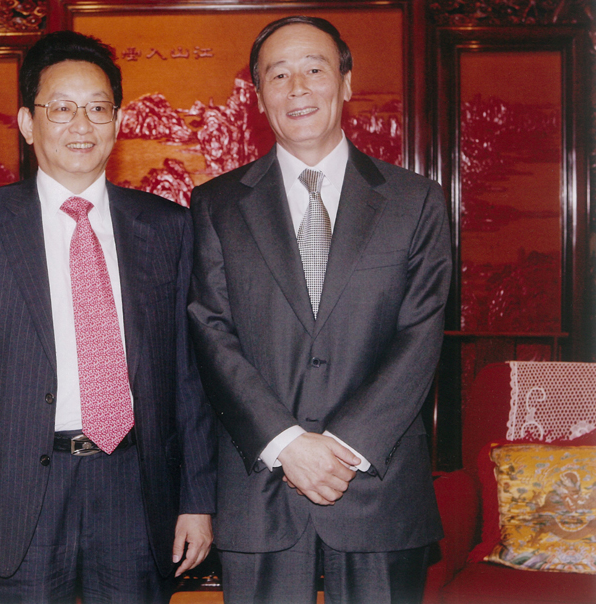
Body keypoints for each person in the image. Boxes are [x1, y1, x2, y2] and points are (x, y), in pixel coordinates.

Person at [0, 30, 216, 604]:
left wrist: (197, 499)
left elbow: (189, 378)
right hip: (19, 493)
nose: (82, 125)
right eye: (61, 108)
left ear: (118, 121)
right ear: (28, 123)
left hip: (136, 487)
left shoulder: (168, 228)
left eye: (98, 108)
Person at [188, 16, 451, 604]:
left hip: (378, 486)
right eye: (278, 75)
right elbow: (211, 331)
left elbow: (420, 335)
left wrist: (343, 447)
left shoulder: (415, 201)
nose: (298, 87)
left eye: (314, 69)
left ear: (346, 82)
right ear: (259, 97)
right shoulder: (216, 205)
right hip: (261, 490)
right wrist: (287, 442)